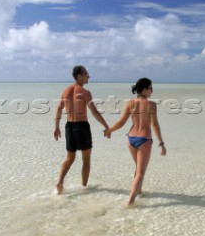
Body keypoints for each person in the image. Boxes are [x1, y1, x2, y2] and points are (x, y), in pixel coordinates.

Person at [104, 78, 166, 206]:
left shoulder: (130, 103)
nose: (152, 91)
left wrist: (109, 130)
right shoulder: (151, 105)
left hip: (131, 138)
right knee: (140, 172)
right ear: (144, 89)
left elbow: (121, 122)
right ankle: (130, 201)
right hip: (144, 139)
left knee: (138, 169)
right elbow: (154, 125)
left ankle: (138, 192)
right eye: (150, 88)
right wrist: (161, 143)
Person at [54, 65, 110, 194]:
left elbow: (58, 108)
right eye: (86, 74)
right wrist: (106, 126)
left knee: (69, 158)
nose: (88, 77)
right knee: (86, 158)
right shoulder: (85, 92)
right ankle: (84, 187)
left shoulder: (66, 91)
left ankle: (59, 182)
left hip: (69, 126)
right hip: (82, 126)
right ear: (79, 75)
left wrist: (56, 127)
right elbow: (94, 111)